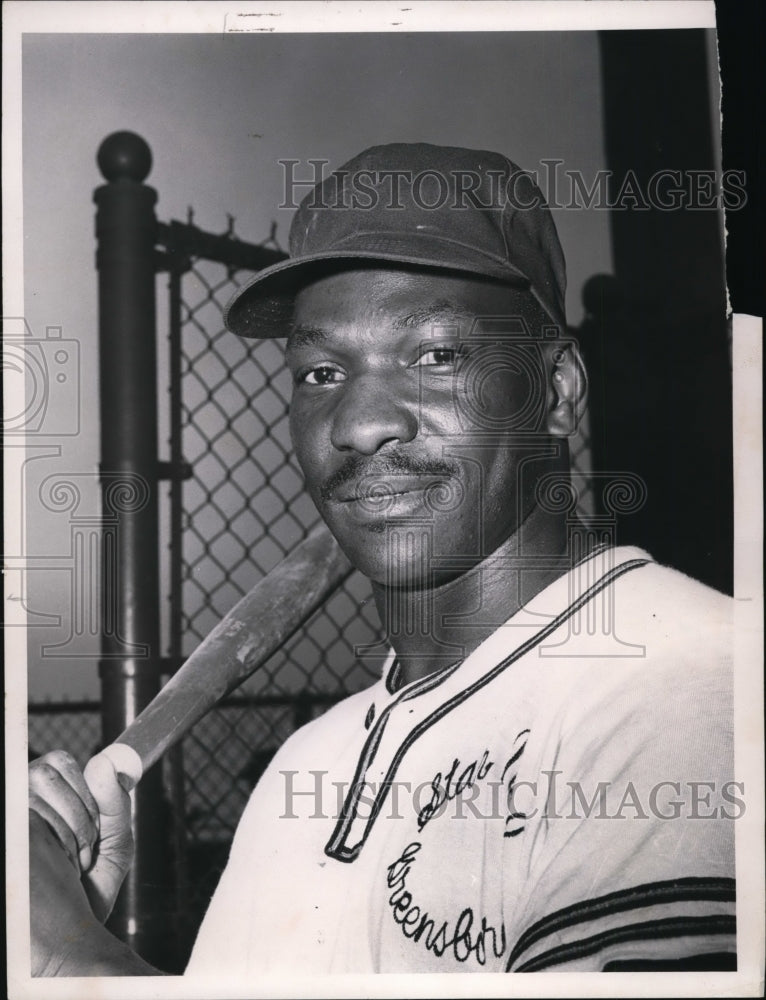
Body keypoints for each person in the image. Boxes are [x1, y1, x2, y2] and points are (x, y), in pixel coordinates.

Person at [29, 143, 736, 976]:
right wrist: (72, 926)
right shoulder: (305, 767)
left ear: (557, 390)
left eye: (435, 354)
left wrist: (68, 961)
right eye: (322, 370)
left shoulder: (687, 680)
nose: (360, 422)